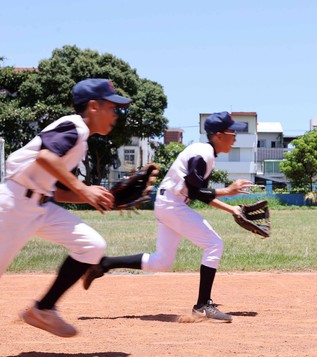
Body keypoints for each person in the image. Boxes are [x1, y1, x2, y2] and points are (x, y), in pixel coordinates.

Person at [82, 111, 253, 322]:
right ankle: (202, 305)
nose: (235, 137)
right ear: (218, 135)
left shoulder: (204, 153)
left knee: (162, 261)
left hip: (169, 204)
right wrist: (227, 191)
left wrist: (231, 209)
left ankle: (104, 264)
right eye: (232, 132)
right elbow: (194, 192)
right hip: (172, 205)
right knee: (214, 244)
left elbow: (199, 192)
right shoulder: (204, 154)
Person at [0, 78, 131, 337]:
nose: (115, 114)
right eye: (112, 107)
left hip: (40, 207)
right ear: (94, 106)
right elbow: (45, 157)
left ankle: (44, 309)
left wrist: (96, 198)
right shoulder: (74, 126)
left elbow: (56, 191)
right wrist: (84, 189)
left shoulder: (80, 142)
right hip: (13, 204)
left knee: (91, 245)